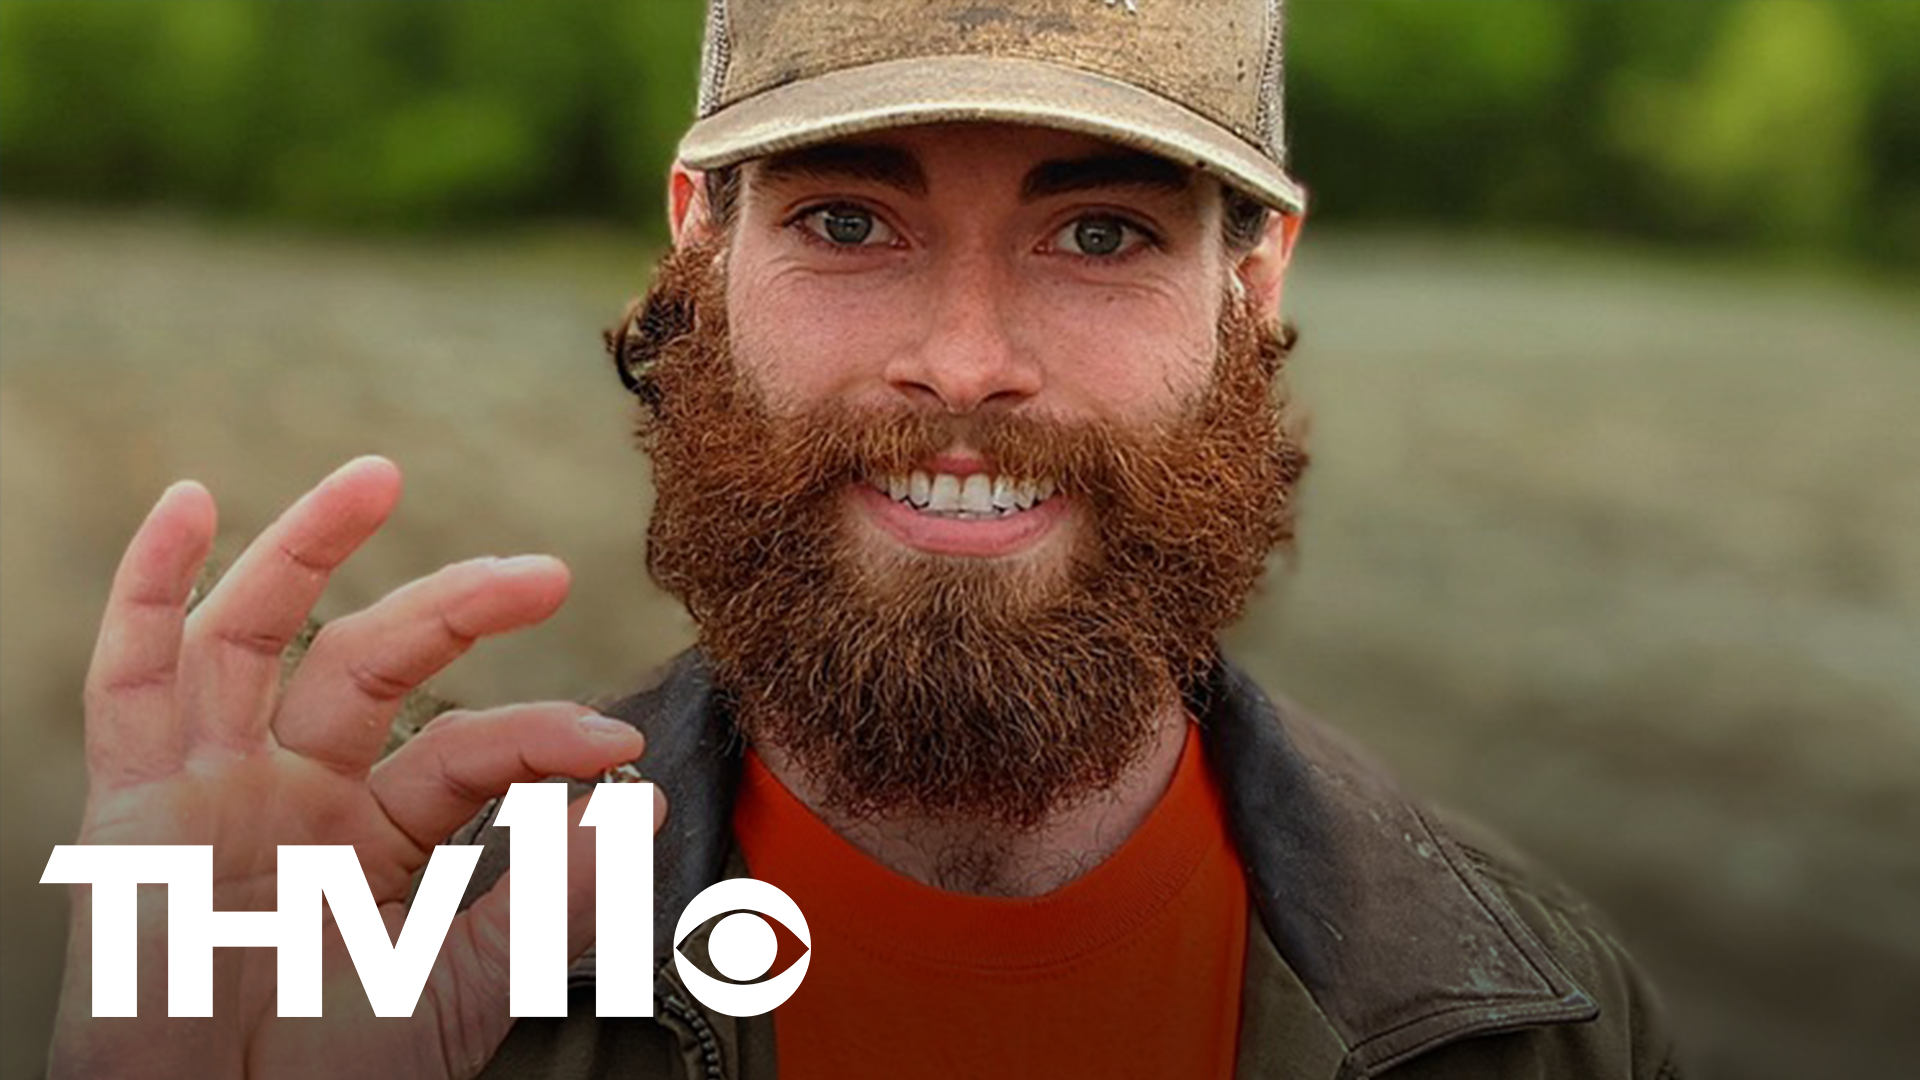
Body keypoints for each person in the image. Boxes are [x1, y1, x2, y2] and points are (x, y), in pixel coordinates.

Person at [47, 1, 1681, 1077]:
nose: (966, 360)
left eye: (1100, 232)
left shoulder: (1548, 1023)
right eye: (848, 221)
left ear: (1252, 284)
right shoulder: (398, 975)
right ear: (701, 250)